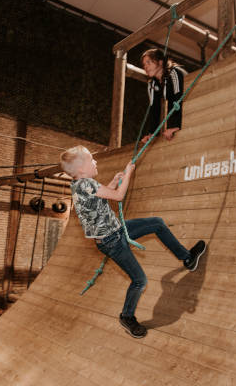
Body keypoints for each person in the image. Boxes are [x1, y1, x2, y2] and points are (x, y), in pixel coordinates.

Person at [60, 145, 206, 338]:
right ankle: (127, 316)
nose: (95, 162)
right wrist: (128, 174)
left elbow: (104, 196)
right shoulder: (87, 184)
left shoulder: (80, 185)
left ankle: (187, 258)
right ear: (80, 170)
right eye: (91, 160)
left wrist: (113, 182)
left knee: (157, 224)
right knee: (140, 280)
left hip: (117, 230)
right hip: (112, 241)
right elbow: (119, 196)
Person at [140, 48, 188, 143]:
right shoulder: (152, 85)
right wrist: (152, 133)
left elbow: (178, 99)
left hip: (190, 110)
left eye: (149, 62)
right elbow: (154, 109)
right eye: (144, 65)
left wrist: (175, 126)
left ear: (160, 62)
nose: (145, 67)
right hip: (179, 114)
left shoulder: (174, 73)